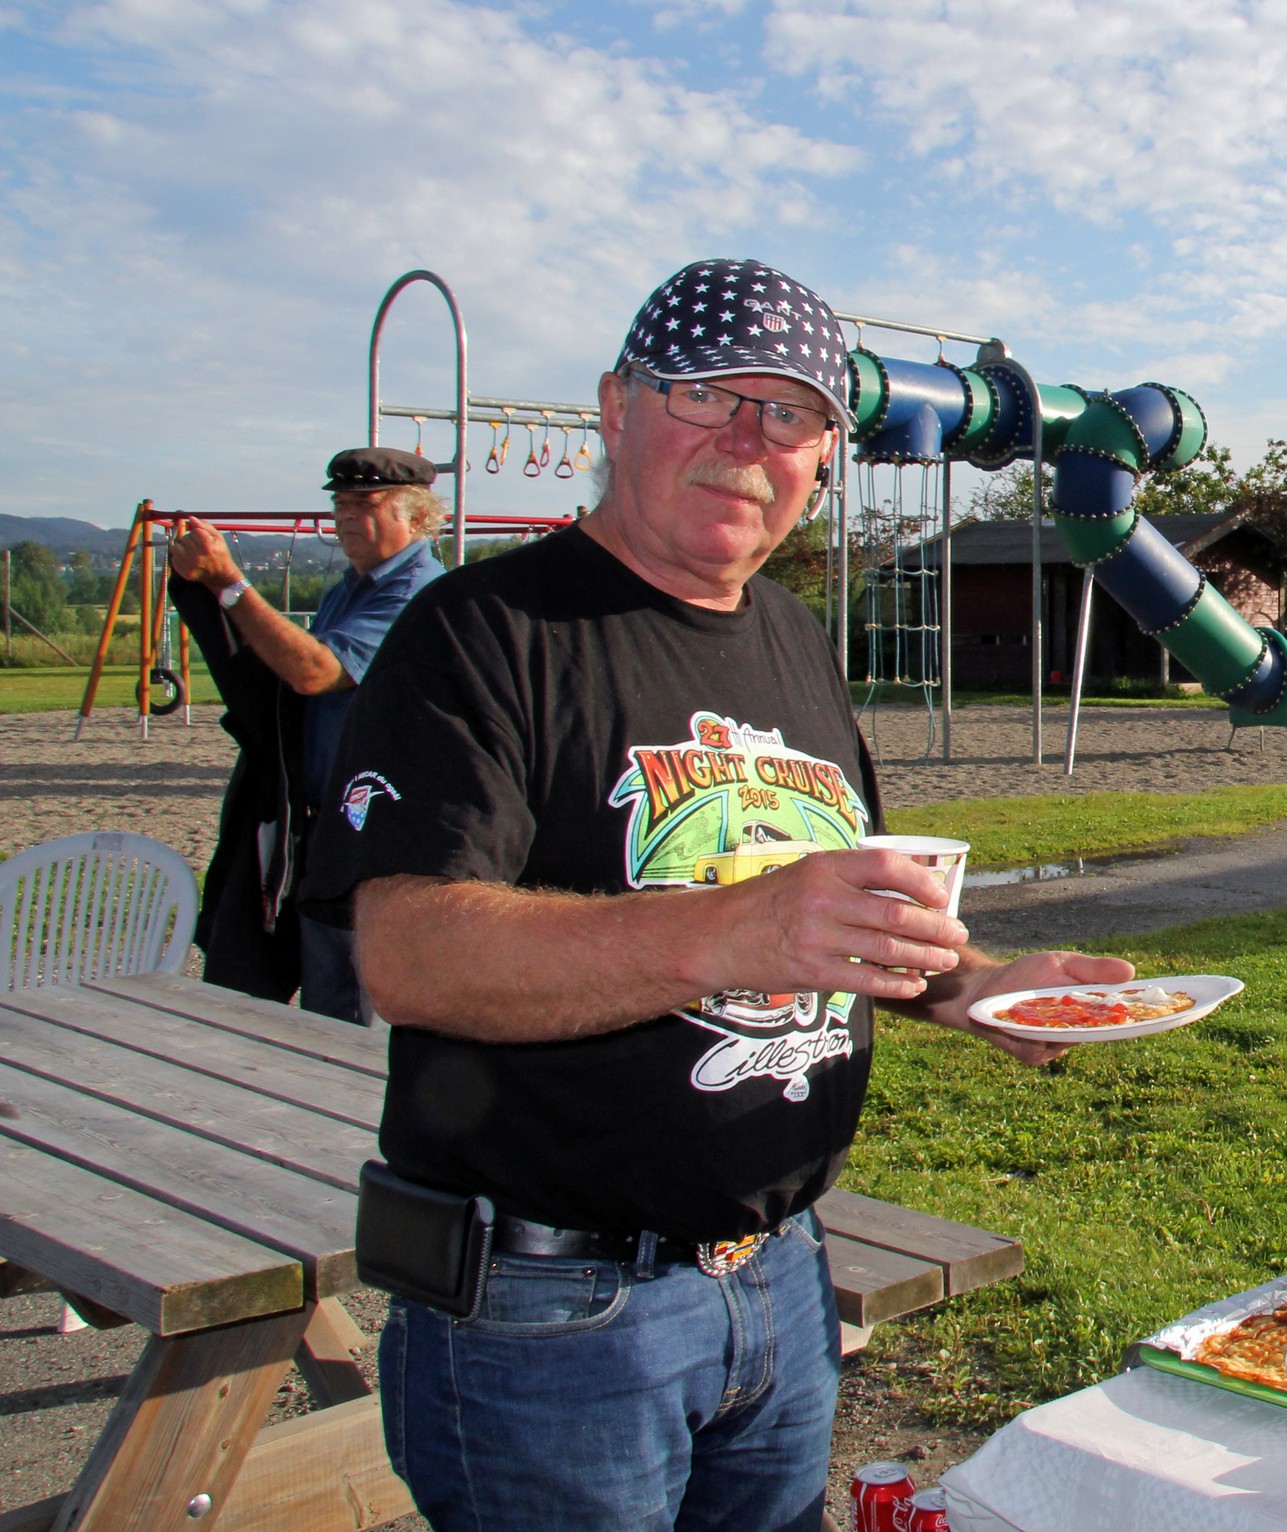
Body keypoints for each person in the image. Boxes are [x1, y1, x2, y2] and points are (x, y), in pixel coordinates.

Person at [299, 257, 1132, 1532]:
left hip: (782, 1279)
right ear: (616, 406)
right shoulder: (482, 630)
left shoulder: (793, 636)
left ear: (823, 456)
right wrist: (735, 927)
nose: (748, 440)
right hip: (551, 1314)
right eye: (706, 394)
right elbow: (407, 954)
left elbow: (834, 913)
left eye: (790, 414)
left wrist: (975, 987)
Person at [168, 448, 445, 1021]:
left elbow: (315, 672)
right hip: (330, 821)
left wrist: (230, 585)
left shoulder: (415, 591)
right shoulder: (352, 587)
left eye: (364, 504)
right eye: (340, 504)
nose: (346, 517)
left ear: (417, 515)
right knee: (322, 992)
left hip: (377, 832)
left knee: (354, 1004)